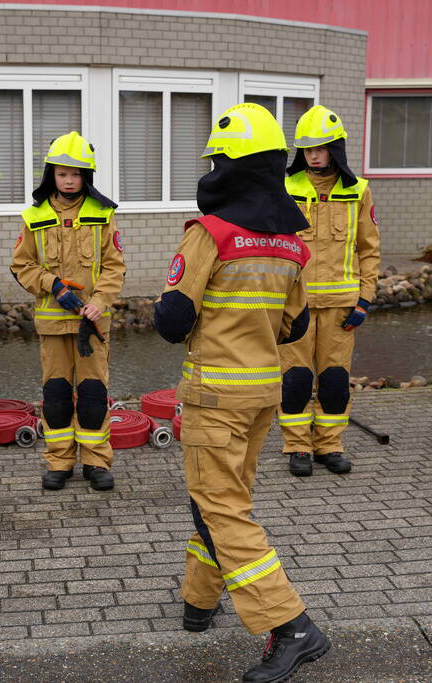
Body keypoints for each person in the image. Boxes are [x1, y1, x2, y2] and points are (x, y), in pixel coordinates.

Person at [154, 102, 330, 683]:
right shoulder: (289, 243)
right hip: (261, 396)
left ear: (227, 169)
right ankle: (200, 602)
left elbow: (174, 319)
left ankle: (293, 626)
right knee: (224, 500)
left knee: (221, 508)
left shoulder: (210, 233)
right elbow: (295, 327)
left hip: (213, 396)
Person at [10, 131, 126, 492]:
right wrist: (52, 285)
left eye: (76, 174)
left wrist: (100, 302)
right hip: (52, 325)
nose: (69, 180)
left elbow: (114, 267)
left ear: (86, 176)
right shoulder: (34, 217)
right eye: (62, 174)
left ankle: (95, 461)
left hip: (92, 325)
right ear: (52, 175)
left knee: (92, 394)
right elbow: (21, 265)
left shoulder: (103, 215)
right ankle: (59, 462)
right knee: (56, 395)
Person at [278, 105, 381, 477]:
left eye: (320, 149)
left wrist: (365, 298)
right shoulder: (285, 188)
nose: (314, 156)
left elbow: (368, 249)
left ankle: (330, 445)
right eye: (307, 150)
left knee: (335, 379)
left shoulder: (359, 192)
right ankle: (296, 446)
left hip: (341, 306)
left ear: (336, 149)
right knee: (296, 379)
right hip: (296, 307)